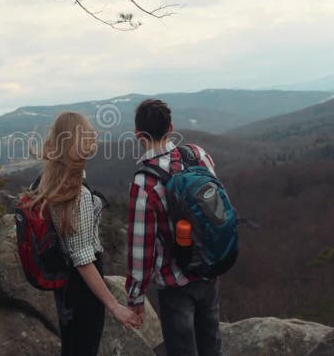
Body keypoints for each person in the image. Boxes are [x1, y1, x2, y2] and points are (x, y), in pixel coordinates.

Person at [31, 111, 141, 356]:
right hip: (82, 289)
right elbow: (82, 258)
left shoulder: (50, 180)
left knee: (73, 346)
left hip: (66, 286)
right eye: (88, 133)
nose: (94, 136)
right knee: (83, 347)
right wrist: (115, 307)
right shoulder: (74, 194)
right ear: (77, 143)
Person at [125, 99, 222, 356]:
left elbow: (141, 249)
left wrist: (135, 298)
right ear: (171, 127)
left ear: (138, 135)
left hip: (175, 284)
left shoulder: (145, 182)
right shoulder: (197, 155)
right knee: (212, 348)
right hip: (209, 270)